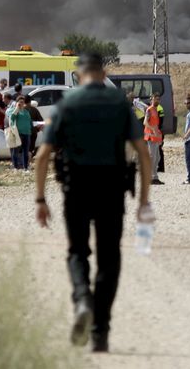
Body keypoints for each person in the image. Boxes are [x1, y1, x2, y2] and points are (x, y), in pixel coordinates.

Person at [34, 52, 152, 353]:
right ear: (102, 73)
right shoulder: (120, 105)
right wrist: (143, 201)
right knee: (109, 258)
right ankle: (100, 333)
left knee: (77, 252)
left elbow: (43, 155)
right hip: (112, 190)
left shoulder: (67, 104)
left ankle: (83, 300)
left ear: (78, 75)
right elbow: (143, 153)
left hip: (76, 189)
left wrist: (40, 199)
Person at [144, 94, 164, 185]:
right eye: (156, 99)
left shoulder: (156, 110)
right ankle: (151, 177)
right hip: (150, 137)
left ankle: (155, 177)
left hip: (155, 138)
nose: (157, 101)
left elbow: (156, 126)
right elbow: (145, 122)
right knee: (153, 158)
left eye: (158, 99)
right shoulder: (149, 110)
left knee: (157, 158)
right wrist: (153, 130)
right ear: (151, 99)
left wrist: (159, 137)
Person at [10, 96, 33, 170]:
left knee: (25, 151)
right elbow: (12, 118)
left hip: (27, 133)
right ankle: (15, 166)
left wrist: (31, 128)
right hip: (19, 133)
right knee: (16, 151)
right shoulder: (15, 110)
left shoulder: (26, 111)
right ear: (17, 103)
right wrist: (17, 108)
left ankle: (25, 167)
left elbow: (29, 121)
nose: (21, 103)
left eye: (23, 102)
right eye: (20, 102)